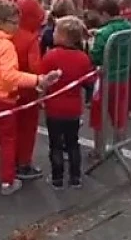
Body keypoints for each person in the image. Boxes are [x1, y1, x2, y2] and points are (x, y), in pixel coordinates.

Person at [0, 0, 61, 196]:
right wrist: (38, 80)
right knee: (8, 141)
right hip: (6, 97)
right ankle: (8, 180)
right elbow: (11, 75)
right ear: (0, 22)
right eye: (13, 22)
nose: (16, 26)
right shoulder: (7, 45)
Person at [41, 15, 94, 190]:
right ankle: (75, 177)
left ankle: (57, 178)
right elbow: (88, 82)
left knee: (55, 144)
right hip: (73, 108)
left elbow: (43, 81)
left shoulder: (50, 56)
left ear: (63, 36)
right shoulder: (82, 58)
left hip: (54, 108)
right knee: (73, 143)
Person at [90, 0, 131, 147]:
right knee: (119, 114)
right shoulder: (128, 26)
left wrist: (91, 44)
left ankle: (98, 150)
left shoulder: (104, 33)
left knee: (99, 116)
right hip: (123, 75)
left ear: (105, 14)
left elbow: (96, 56)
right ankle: (119, 146)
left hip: (105, 77)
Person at [11, 0, 45, 180]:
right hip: (27, 89)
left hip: (6, 88)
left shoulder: (6, 33)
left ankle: (8, 163)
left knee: (9, 129)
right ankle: (23, 164)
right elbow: (35, 67)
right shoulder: (30, 38)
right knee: (27, 128)